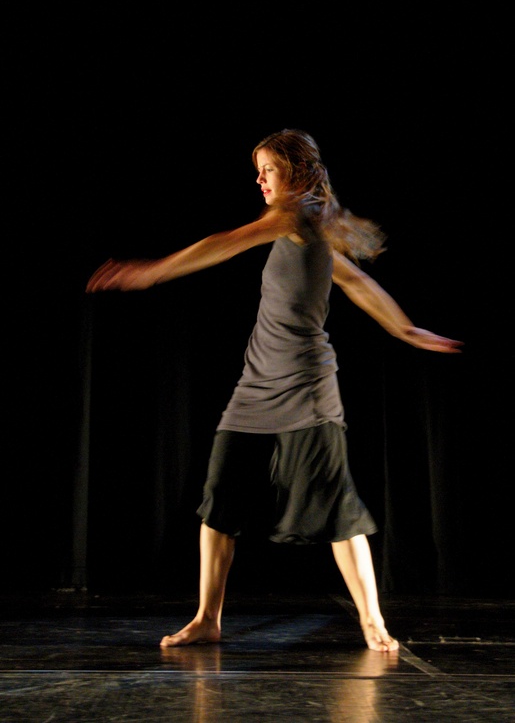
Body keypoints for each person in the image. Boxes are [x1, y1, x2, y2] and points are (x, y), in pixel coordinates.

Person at [87, 128, 462, 652]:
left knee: (337, 506)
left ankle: (373, 622)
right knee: (219, 502)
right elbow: (355, 280)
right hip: (257, 384)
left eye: (268, 169)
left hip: (306, 386)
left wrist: (152, 273)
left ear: (298, 172)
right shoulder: (311, 224)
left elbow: (225, 243)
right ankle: (207, 618)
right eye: (258, 171)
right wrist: (405, 328)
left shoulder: (294, 216)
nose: (260, 179)